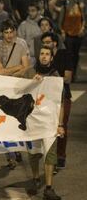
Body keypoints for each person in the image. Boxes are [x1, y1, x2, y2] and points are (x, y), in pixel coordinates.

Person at [26, 45, 65, 200]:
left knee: (50, 154)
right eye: (41, 53)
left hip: (49, 121)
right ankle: (36, 180)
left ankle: (49, 188)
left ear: (51, 57)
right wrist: (31, 83)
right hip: (33, 119)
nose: (44, 56)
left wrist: (60, 124)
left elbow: (60, 103)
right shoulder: (30, 72)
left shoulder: (56, 77)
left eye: (47, 54)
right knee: (33, 153)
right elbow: (21, 93)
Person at [0, 19, 30, 169]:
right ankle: (10, 156)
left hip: (19, 89)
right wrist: (18, 67)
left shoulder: (21, 45)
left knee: (18, 121)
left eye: (11, 32)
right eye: (6, 32)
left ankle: (16, 148)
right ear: (2, 33)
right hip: (4, 90)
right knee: (5, 123)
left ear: (15, 31)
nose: (9, 35)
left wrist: (11, 71)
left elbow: (26, 67)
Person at [40, 32, 73, 171]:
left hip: (62, 97)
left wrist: (51, 80)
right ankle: (48, 159)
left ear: (55, 43)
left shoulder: (64, 55)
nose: (46, 45)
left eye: (48, 42)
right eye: (44, 42)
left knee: (61, 126)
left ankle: (60, 155)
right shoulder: (41, 59)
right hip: (45, 99)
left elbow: (68, 78)